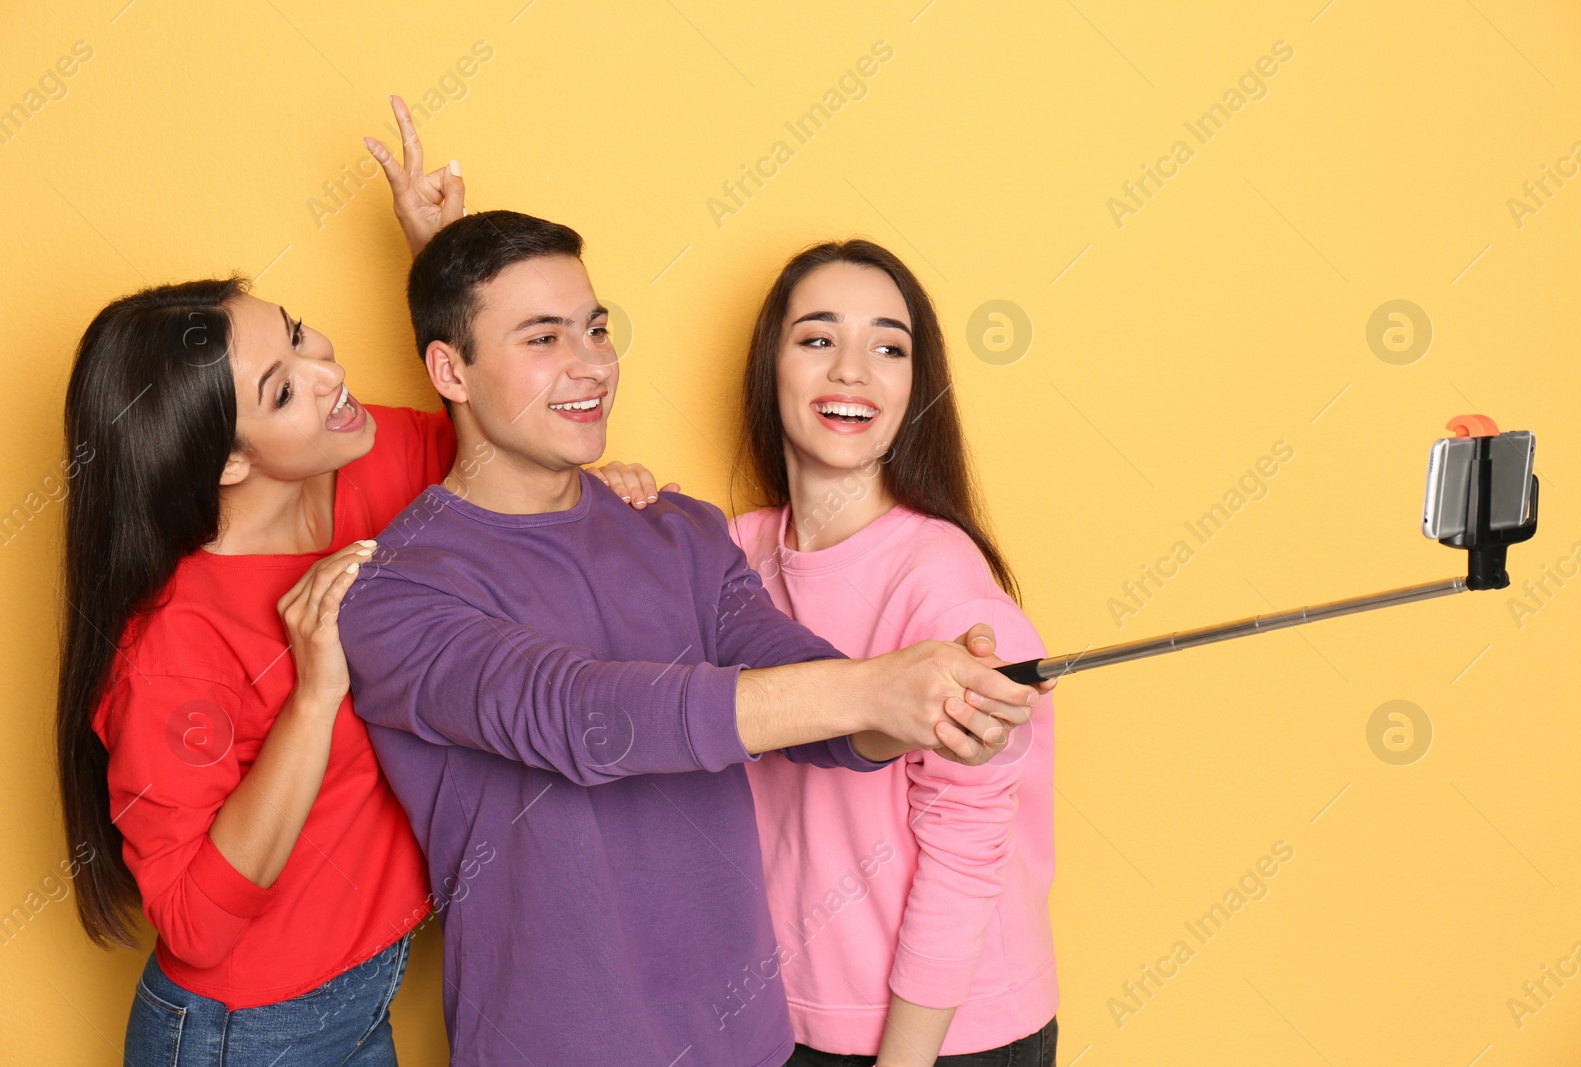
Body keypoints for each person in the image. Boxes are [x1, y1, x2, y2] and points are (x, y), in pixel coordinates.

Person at [336, 209, 1048, 1066]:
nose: (592, 363)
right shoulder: (396, 590)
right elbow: (584, 714)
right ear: (448, 368)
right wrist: (875, 687)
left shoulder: (680, 530)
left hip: (754, 1045)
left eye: (596, 329)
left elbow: (806, 686)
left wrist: (926, 711)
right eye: (544, 337)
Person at [52, 98, 669, 1066]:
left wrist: (445, 259)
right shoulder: (173, 645)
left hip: (362, 992)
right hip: (245, 1034)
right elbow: (195, 925)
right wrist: (316, 690)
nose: (327, 369)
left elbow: (510, 434)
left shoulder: (371, 466)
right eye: (283, 387)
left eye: (298, 333)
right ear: (222, 461)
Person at [727, 240, 1058, 1066]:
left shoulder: (948, 587)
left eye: (888, 347)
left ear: (916, 386)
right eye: (816, 338)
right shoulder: (730, 558)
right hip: (787, 1019)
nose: (853, 372)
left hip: (942, 1037)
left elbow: (966, 849)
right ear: (771, 365)